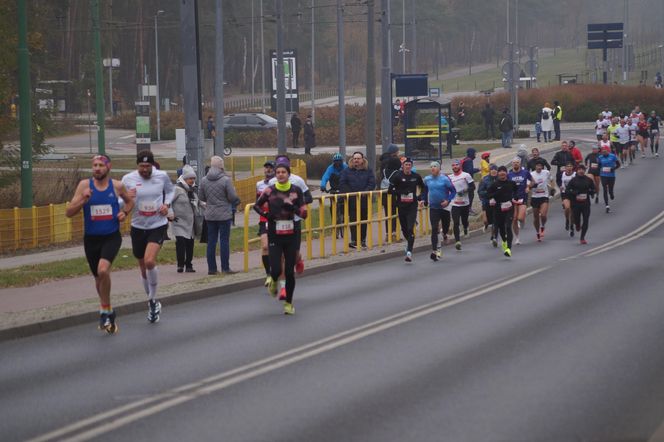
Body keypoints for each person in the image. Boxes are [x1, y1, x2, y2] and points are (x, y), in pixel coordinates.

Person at [66, 154, 133, 333]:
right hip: (91, 239)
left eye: (100, 165)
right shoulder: (84, 186)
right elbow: (69, 212)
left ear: (108, 167)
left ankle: (104, 310)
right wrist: (83, 199)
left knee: (103, 270)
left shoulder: (117, 186)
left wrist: (124, 214)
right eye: (94, 165)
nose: (96, 168)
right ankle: (108, 310)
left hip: (111, 236)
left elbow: (130, 201)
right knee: (98, 279)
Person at [122, 150, 174, 323]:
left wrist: (166, 205)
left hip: (157, 225)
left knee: (150, 260)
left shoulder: (162, 176)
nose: (145, 169)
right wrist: (126, 199)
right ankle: (152, 301)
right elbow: (119, 201)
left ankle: (152, 300)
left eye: (148, 166)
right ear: (137, 166)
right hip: (138, 227)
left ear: (153, 164)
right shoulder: (128, 179)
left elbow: (171, 191)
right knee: (143, 268)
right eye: (141, 166)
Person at [254, 162, 308, 315]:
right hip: (274, 233)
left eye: (283, 172)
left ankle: (288, 303)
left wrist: (294, 209)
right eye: (278, 172)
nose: (280, 174)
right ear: (275, 175)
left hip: (291, 234)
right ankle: (274, 281)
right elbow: (256, 206)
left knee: (289, 272)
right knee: (276, 269)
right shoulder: (270, 190)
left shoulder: (295, 191)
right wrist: (266, 215)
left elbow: (304, 214)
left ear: (288, 174)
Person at [269, 155, 312, 298]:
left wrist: (295, 204)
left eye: (283, 169)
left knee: (292, 256)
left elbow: (309, 197)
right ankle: (282, 287)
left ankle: (298, 259)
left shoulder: (297, 181)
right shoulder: (272, 182)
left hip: (294, 221)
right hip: (277, 224)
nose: (280, 173)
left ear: (288, 169)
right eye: (278, 169)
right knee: (280, 257)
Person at [199, 155, 240, 275]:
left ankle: (211, 269)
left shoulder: (204, 180)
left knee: (211, 241)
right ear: (221, 166)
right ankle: (225, 268)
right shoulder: (225, 180)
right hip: (224, 214)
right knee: (224, 241)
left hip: (210, 215)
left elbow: (201, 197)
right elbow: (232, 197)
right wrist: (231, 200)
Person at [388, 157, 425, 262]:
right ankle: (409, 243)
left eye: (409, 165)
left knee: (410, 228)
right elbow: (390, 191)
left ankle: (409, 252)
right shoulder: (397, 176)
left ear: (412, 166)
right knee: (404, 229)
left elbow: (423, 187)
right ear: (402, 166)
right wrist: (401, 192)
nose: (408, 167)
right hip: (401, 205)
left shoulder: (416, 176)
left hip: (412, 206)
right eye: (406, 165)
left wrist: (419, 197)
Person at [339, 151, 376, 249]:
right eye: (355, 158)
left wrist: (365, 192)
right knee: (353, 220)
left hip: (364, 200)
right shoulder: (346, 171)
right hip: (352, 201)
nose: (356, 160)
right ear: (352, 159)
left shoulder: (368, 170)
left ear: (362, 160)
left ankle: (362, 240)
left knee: (363, 220)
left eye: (358, 158)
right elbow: (342, 183)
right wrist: (351, 194)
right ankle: (354, 240)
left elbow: (372, 183)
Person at [422, 161, 456, 261]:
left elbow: (453, 191)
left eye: (435, 166)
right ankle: (434, 251)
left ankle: (444, 234)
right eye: (431, 167)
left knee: (445, 227)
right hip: (433, 207)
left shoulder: (445, 179)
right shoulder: (427, 179)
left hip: (444, 206)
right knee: (434, 228)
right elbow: (425, 191)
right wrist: (424, 199)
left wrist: (448, 200)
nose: (433, 168)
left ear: (439, 168)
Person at [170, 165, 201, 273]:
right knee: (181, 242)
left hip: (190, 221)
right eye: (190, 178)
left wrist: (206, 205)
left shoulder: (192, 190)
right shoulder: (177, 189)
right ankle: (180, 264)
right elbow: (167, 202)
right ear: (184, 178)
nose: (192, 181)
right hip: (178, 221)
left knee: (190, 243)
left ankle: (189, 265)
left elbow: (198, 202)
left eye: (193, 178)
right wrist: (170, 213)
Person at [486, 166, 518, 257]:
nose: (502, 173)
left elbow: (516, 191)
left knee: (508, 227)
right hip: (498, 208)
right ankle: (504, 240)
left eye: (504, 171)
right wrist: (497, 193)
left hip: (509, 207)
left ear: (506, 173)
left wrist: (515, 198)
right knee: (501, 228)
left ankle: (508, 249)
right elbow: (488, 195)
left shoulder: (511, 183)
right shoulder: (494, 184)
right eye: (500, 171)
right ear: (498, 173)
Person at [448, 159, 475, 250]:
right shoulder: (450, 177)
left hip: (465, 203)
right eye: (453, 165)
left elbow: (473, 187)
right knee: (456, 222)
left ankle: (466, 228)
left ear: (460, 166)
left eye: (456, 165)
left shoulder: (466, 175)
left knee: (464, 220)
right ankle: (457, 241)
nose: (455, 167)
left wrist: (464, 191)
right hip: (454, 203)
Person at [256, 161, 276, 286]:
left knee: (278, 249)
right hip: (265, 220)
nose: (268, 170)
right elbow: (256, 203)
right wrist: (263, 213)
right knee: (265, 247)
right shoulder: (259, 184)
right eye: (266, 168)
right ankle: (268, 274)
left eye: (270, 168)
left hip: (278, 220)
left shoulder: (278, 183)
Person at [566, 164, 595, 245]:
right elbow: (567, 191)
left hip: (586, 203)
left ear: (585, 171)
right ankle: (577, 225)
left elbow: (593, 189)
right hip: (575, 204)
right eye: (579, 169)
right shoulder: (573, 180)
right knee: (576, 219)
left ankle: (582, 238)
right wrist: (574, 193)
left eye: (582, 169)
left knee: (586, 220)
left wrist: (591, 192)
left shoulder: (589, 180)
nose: (581, 171)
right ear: (577, 171)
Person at [321, 153, 348, 237]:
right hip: (333, 189)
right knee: (332, 207)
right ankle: (334, 219)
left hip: (343, 189)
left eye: (339, 161)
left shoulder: (345, 167)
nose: (337, 163)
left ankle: (344, 217)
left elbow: (350, 176)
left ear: (341, 161)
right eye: (335, 162)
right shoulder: (330, 168)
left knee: (345, 205)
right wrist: (323, 186)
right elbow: (325, 177)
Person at [507, 157, 533, 245]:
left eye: (517, 162)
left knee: (520, 218)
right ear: (512, 164)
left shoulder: (525, 172)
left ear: (520, 163)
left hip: (523, 197)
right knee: (514, 219)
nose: (515, 164)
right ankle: (517, 238)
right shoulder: (509, 175)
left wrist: (528, 187)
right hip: (513, 198)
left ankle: (522, 219)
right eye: (514, 163)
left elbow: (533, 181)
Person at [378, 144, 401, 240]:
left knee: (388, 213)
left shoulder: (383, 162)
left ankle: (388, 233)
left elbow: (380, 176)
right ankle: (394, 233)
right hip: (393, 191)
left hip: (384, 191)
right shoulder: (394, 163)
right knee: (395, 212)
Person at [529, 161, 554, 242]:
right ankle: (537, 232)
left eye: (540, 166)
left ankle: (542, 226)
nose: (539, 167)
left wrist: (553, 188)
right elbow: (528, 186)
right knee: (536, 217)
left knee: (543, 215)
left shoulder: (546, 172)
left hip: (544, 196)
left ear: (542, 167)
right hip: (535, 197)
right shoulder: (531, 174)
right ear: (535, 167)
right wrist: (532, 185)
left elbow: (552, 180)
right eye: (537, 166)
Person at [477, 164, 499, 246]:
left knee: (495, 221)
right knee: (486, 221)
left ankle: (494, 237)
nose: (494, 171)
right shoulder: (485, 179)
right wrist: (488, 194)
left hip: (497, 204)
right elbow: (480, 191)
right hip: (486, 203)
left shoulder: (500, 179)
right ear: (489, 170)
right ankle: (486, 225)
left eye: (495, 169)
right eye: (492, 169)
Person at [597, 146, 620, 213]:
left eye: (605, 151)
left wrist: (613, 169)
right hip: (603, 175)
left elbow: (618, 165)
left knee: (610, 189)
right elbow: (598, 166)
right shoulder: (600, 157)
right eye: (603, 151)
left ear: (608, 151)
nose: (604, 152)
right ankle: (607, 206)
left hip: (611, 176)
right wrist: (599, 170)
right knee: (605, 189)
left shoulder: (613, 156)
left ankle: (611, 193)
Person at [460, 147, 480, 212]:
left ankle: (464, 208)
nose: (475, 155)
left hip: (462, 179)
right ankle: (468, 209)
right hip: (467, 181)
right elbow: (470, 171)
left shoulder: (465, 159)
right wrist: (478, 169)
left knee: (465, 195)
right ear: (471, 153)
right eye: (474, 153)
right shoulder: (469, 160)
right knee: (470, 195)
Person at [560, 162, 576, 235]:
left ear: (572, 167)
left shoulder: (575, 174)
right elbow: (559, 181)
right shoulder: (563, 174)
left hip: (573, 194)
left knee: (572, 212)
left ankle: (571, 226)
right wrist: (560, 187)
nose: (569, 167)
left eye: (570, 166)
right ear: (565, 168)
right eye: (567, 166)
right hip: (565, 194)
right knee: (567, 208)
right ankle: (567, 219)